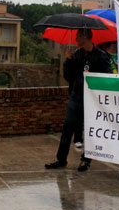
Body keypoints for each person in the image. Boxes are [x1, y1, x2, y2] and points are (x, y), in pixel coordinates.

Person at [46, 28, 111, 172]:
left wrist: (93, 77)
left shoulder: (101, 56)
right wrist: (68, 61)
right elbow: (68, 76)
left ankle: (86, 160)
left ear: (85, 37)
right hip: (76, 96)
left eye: (78, 36)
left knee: (89, 129)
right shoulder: (77, 54)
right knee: (67, 127)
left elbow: (107, 77)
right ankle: (61, 158)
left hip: (92, 99)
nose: (75, 38)